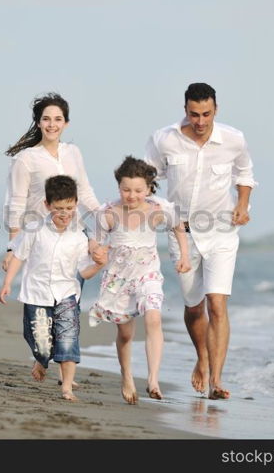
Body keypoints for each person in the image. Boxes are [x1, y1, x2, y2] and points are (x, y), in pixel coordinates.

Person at [145, 83, 258, 400]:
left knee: (217, 305)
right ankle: (202, 358)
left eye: (206, 114)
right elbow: (147, 179)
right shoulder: (164, 139)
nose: (200, 121)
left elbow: (245, 174)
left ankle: (216, 380)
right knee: (194, 309)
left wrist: (242, 205)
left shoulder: (233, 139)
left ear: (216, 110)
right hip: (181, 234)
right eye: (194, 114)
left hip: (221, 232)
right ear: (185, 110)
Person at [89, 156, 190, 404]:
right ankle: (127, 376)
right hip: (118, 280)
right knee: (125, 334)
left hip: (148, 274)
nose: (131, 196)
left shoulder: (158, 209)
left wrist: (184, 256)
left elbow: (178, 226)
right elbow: (96, 243)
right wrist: (96, 252)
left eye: (137, 190)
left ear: (148, 188)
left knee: (153, 318)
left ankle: (153, 379)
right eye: (126, 190)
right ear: (118, 187)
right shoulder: (108, 213)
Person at [0, 175, 105, 401]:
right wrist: (8, 282)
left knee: (68, 339)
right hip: (36, 294)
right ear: (47, 205)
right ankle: (41, 359)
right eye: (59, 208)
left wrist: (98, 265)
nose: (65, 213)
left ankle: (67, 387)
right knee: (42, 344)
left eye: (69, 207)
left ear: (76, 203)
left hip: (67, 294)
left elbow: (84, 271)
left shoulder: (79, 237)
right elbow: (19, 256)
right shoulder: (34, 230)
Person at [3, 92, 103, 271]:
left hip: (75, 235)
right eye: (46, 119)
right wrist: (12, 247)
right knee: (43, 295)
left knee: (72, 295)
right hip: (41, 239)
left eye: (58, 119)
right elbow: (16, 203)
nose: (52, 125)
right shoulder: (25, 159)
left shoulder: (73, 152)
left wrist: (105, 216)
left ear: (66, 123)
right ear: (38, 123)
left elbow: (85, 192)